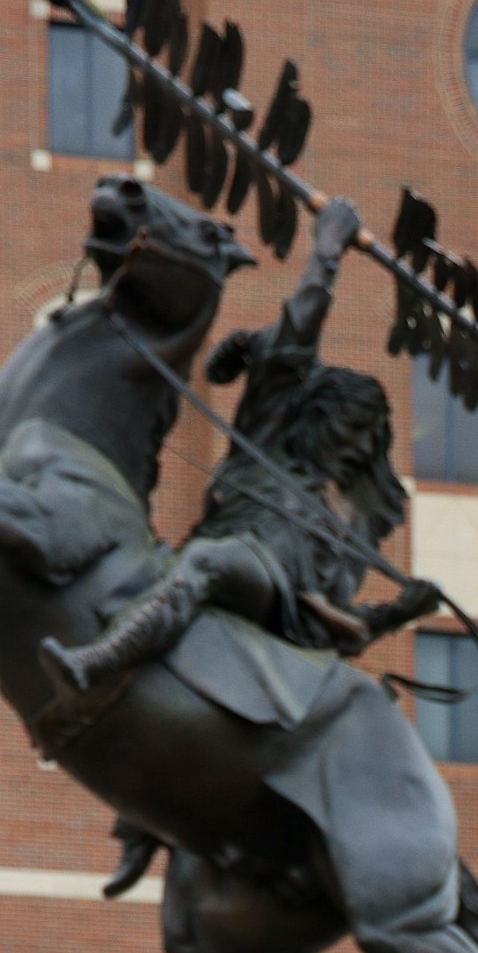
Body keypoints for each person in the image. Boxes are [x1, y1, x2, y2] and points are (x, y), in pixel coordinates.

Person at [43, 194, 443, 714]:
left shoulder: (346, 520)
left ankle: (95, 663)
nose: (352, 442)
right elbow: (297, 333)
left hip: (266, 591)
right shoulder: (270, 433)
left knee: (208, 564)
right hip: (215, 548)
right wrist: (326, 253)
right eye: (348, 426)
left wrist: (397, 612)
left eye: (363, 437)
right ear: (318, 414)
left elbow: (344, 626)